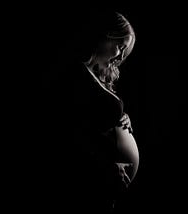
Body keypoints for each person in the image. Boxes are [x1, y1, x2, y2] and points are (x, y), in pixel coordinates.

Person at [29, 10, 139, 213]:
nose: (121, 57)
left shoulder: (96, 76)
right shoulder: (74, 75)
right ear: (105, 36)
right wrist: (107, 167)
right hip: (87, 182)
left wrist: (122, 118)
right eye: (120, 47)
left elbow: (97, 120)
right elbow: (65, 131)